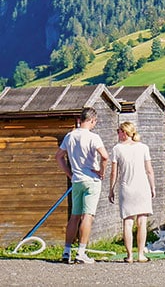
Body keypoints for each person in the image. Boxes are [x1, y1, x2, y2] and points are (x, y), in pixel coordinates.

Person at [56, 106, 109, 264]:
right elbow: (105, 156)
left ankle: (66, 251)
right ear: (92, 120)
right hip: (91, 179)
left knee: (74, 216)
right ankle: (81, 252)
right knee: (88, 216)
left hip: (77, 179)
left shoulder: (70, 136)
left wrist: (69, 173)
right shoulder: (94, 137)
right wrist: (101, 171)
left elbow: (58, 156)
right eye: (95, 122)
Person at [108, 121, 156, 263]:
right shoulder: (143, 148)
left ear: (124, 132)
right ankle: (140, 254)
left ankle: (129, 256)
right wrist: (152, 187)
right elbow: (149, 170)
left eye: (119, 131)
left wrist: (111, 189)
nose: (118, 133)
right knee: (142, 221)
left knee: (127, 223)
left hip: (126, 188)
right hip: (142, 187)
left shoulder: (117, 149)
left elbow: (114, 173)